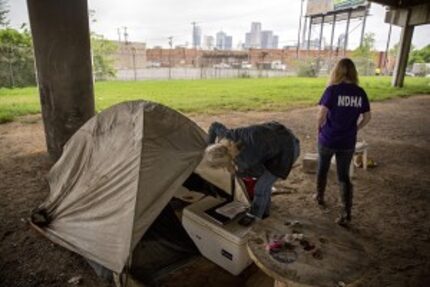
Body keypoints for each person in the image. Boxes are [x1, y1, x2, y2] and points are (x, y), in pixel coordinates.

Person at [205, 121, 300, 225]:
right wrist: (209, 144)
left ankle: (254, 216)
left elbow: (259, 173)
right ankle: (265, 212)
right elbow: (214, 125)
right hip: (275, 133)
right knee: (264, 186)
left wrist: (236, 172)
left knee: (260, 187)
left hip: (287, 149)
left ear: (226, 161)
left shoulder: (246, 160)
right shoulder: (226, 135)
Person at [316, 58, 371, 227]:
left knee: (323, 169)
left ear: (337, 71)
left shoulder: (331, 90)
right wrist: (355, 128)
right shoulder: (360, 92)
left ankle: (319, 196)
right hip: (347, 142)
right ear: (353, 72)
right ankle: (346, 213)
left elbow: (321, 115)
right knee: (343, 177)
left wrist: (319, 129)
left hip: (328, 138)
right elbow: (367, 117)